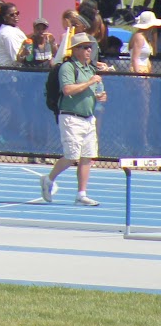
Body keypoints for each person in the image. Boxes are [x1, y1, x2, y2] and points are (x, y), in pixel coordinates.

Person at [40, 33, 108, 206]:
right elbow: (68, 89)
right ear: (75, 50)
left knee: (88, 156)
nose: (88, 50)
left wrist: (100, 95)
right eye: (84, 47)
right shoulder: (69, 67)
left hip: (88, 117)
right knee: (71, 156)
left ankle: (81, 194)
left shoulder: (90, 68)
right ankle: (49, 179)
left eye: (90, 47)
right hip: (71, 117)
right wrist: (89, 82)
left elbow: (93, 90)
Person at [0, 2, 25, 67]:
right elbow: (16, 57)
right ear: (4, 17)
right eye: (12, 15)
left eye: (17, 13)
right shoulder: (7, 33)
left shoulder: (12, 28)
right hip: (4, 72)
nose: (15, 16)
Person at [128, 10, 160, 74]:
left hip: (145, 68)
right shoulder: (139, 37)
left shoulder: (145, 37)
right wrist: (138, 74)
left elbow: (154, 51)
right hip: (139, 69)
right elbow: (135, 59)